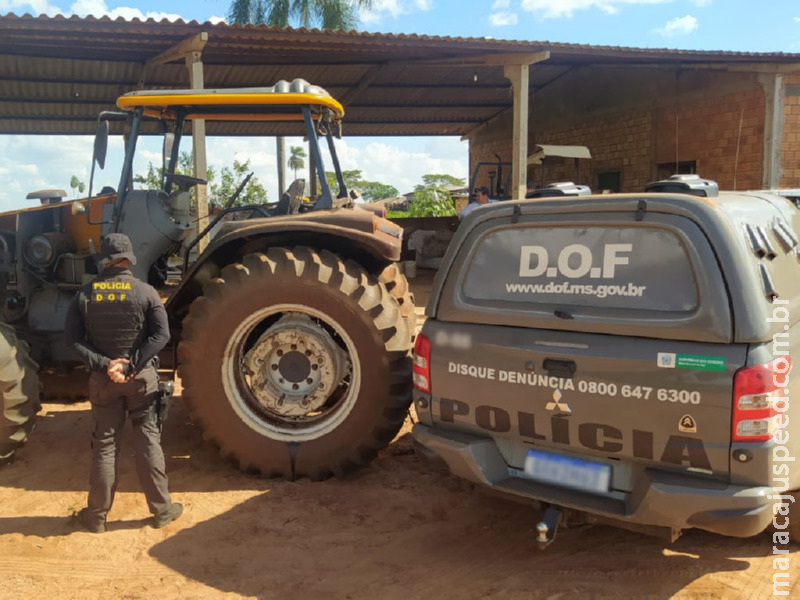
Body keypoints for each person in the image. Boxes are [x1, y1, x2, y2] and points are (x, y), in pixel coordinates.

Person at [65, 233, 182, 534]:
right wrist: (133, 363)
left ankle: (96, 517)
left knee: (104, 446)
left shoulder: (85, 294)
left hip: (104, 382)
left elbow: (73, 340)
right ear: (129, 259)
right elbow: (162, 336)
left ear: (104, 260)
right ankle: (162, 510)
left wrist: (107, 365)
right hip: (140, 379)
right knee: (147, 440)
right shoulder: (146, 292)